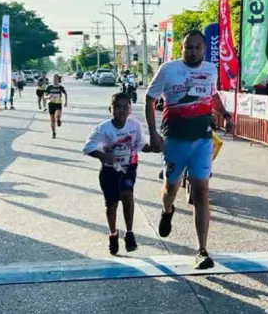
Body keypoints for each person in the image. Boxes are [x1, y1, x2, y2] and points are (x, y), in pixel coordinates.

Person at [145, 29, 234, 270]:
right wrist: (153, 134)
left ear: (204, 50)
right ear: (181, 48)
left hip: (202, 141)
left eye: (197, 47)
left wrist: (224, 113)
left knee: (201, 194)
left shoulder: (210, 69)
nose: (193, 51)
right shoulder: (168, 70)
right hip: (174, 140)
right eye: (188, 47)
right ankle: (167, 210)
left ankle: (202, 250)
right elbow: (150, 99)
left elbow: (212, 94)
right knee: (171, 187)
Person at [83, 92, 150, 255]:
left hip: (129, 167)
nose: (121, 110)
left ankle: (129, 233)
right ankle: (113, 234)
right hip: (109, 170)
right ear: (110, 109)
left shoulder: (135, 125)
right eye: (117, 107)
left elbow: (142, 145)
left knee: (128, 197)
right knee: (112, 203)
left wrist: (157, 146)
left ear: (130, 109)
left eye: (124, 107)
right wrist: (104, 156)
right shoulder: (103, 128)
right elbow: (87, 148)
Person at [45, 74, 68, 138]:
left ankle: (58, 119)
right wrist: (48, 96)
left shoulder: (60, 87)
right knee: (52, 120)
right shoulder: (49, 87)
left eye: (56, 79)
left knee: (58, 114)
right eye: (54, 78)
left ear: (58, 80)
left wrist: (66, 102)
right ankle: (53, 132)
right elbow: (45, 96)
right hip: (51, 103)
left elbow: (65, 93)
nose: (55, 80)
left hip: (58, 103)